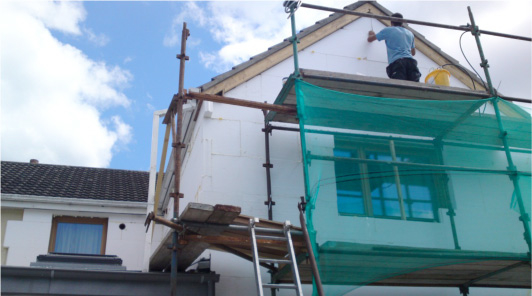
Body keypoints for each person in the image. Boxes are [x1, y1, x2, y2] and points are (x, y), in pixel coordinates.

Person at [367, 13, 421, 82]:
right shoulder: (410, 33)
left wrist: (371, 34)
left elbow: (370, 40)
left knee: (399, 86)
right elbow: (413, 52)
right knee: (414, 87)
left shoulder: (388, 30)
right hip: (411, 62)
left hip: (397, 62)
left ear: (391, 22)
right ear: (402, 22)